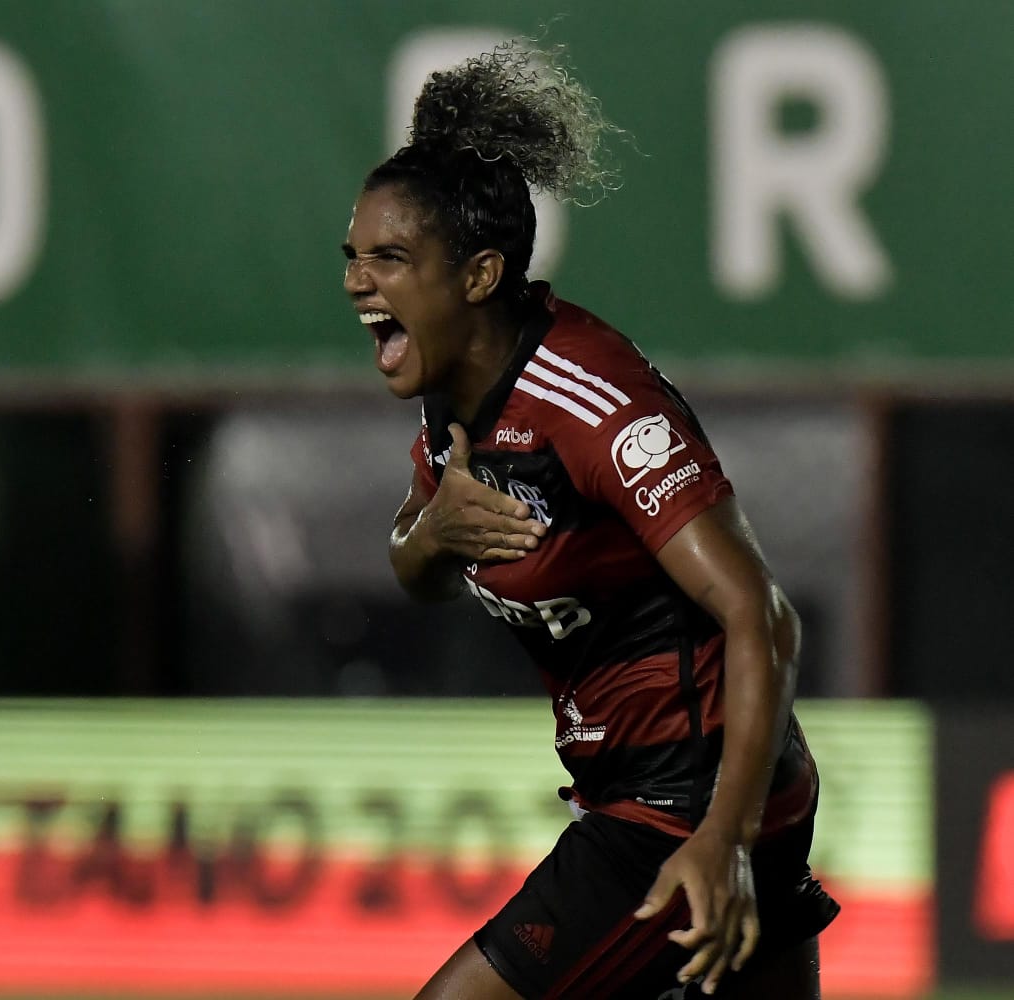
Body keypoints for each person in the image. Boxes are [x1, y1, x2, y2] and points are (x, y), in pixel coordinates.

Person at [341, 41, 838, 1000]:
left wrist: (722, 841)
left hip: (685, 809)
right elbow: (418, 557)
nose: (360, 282)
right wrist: (434, 538)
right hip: (674, 795)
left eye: (391, 259)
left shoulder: (591, 401)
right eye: (353, 257)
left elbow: (761, 616)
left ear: (480, 274)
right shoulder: (455, 392)